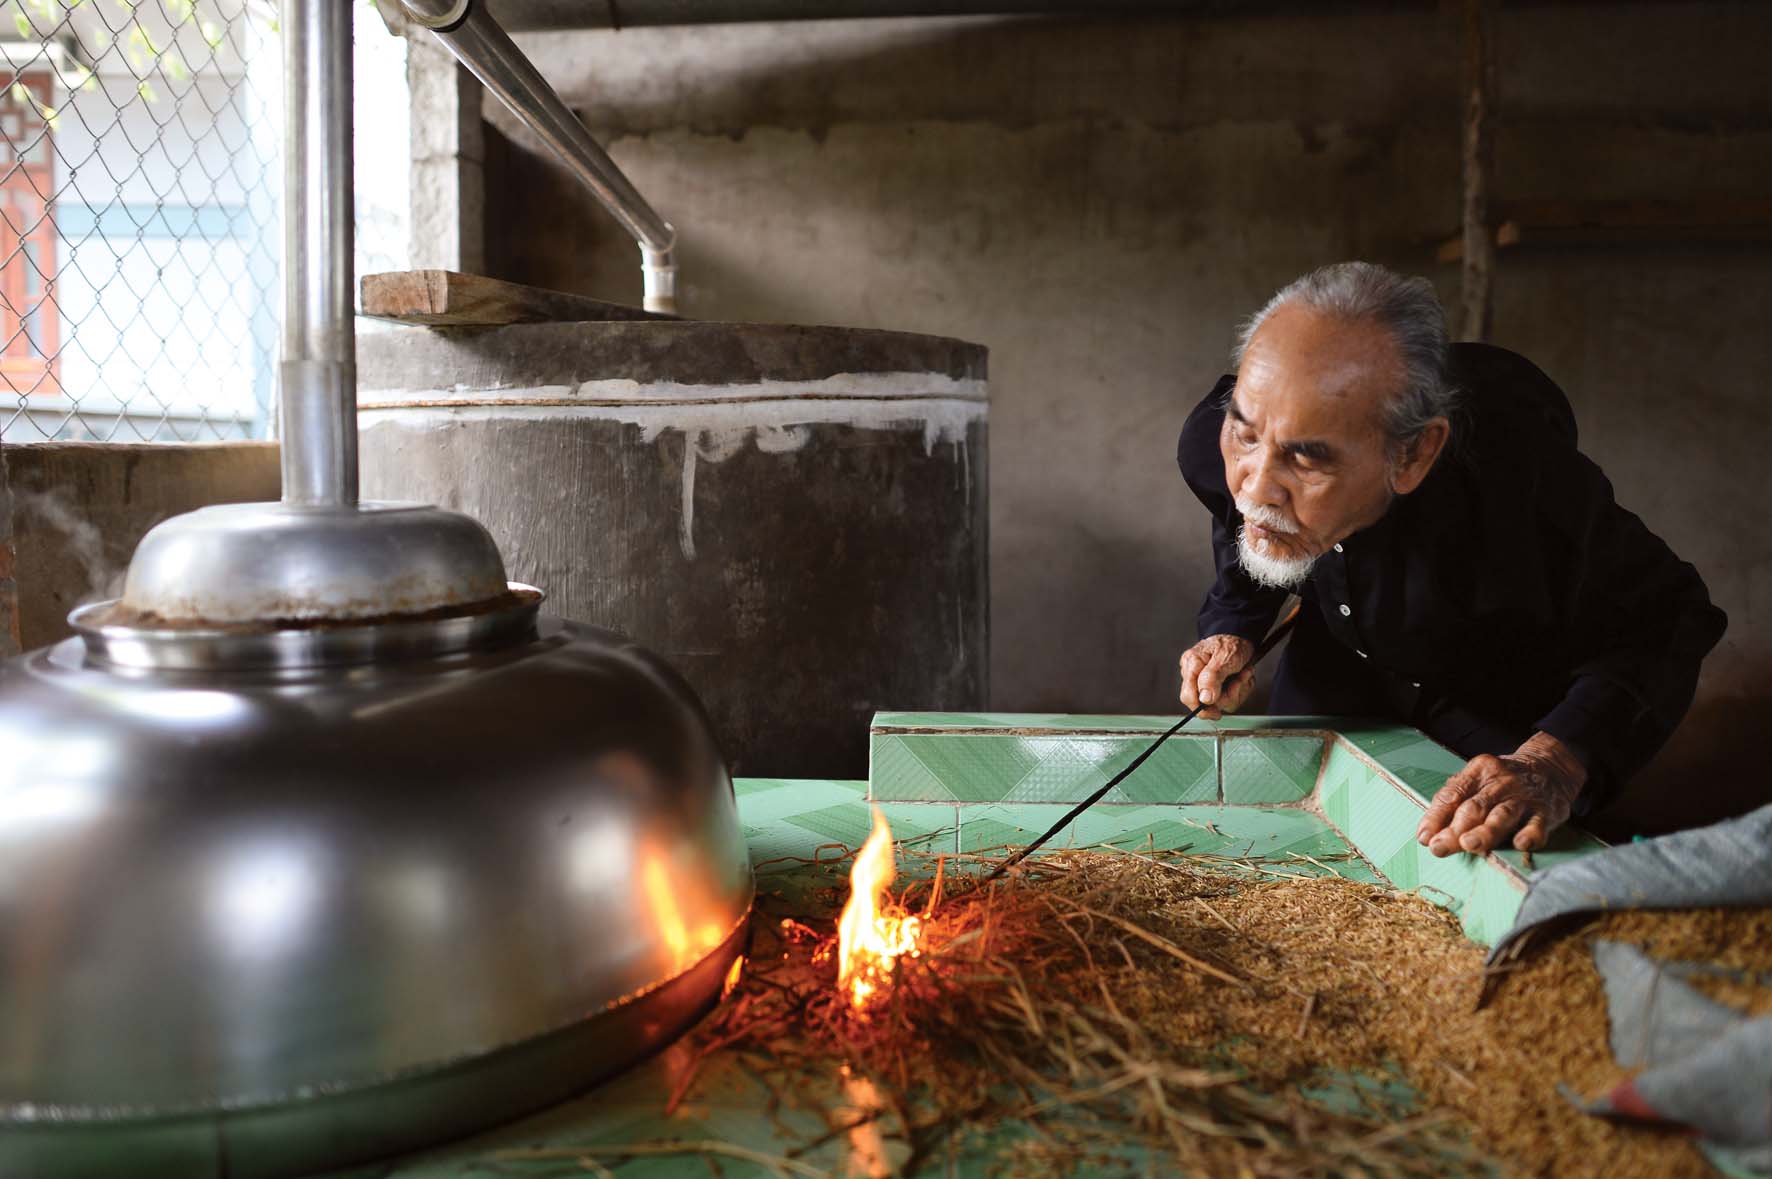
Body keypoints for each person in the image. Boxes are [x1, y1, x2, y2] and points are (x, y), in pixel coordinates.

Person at [1174, 262, 1726, 856]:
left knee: (1481, 852)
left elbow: (1670, 615)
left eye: (1306, 460)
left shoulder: (1519, 488)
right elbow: (1250, 526)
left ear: (1413, 455)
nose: (1254, 486)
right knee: (1286, 835)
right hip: (1337, 655)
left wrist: (1557, 759)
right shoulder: (1215, 444)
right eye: (1247, 435)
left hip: (1489, 684)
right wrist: (1235, 624)